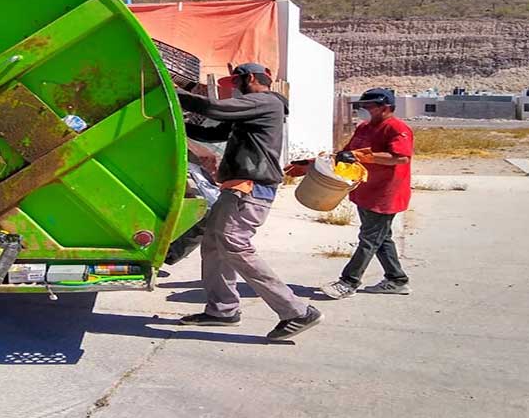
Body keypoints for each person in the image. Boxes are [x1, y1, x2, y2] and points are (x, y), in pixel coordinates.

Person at [176, 63, 323, 341]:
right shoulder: (253, 112)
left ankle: (296, 311)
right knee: (213, 244)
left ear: (251, 79)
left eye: (236, 82)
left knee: (234, 244)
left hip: (250, 189)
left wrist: (169, 93)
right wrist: (172, 119)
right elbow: (211, 133)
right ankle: (223, 309)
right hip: (238, 187)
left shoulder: (265, 102)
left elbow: (213, 109)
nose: (233, 87)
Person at [319, 88, 414, 299]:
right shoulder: (363, 128)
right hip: (366, 191)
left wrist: (362, 157)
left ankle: (348, 281)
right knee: (381, 238)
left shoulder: (397, 128)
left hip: (386, 194)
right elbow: (348, 153)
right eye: (364, 106)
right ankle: (397, 279)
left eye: (370, 106)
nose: (366, 109)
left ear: (385, 107)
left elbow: (400, 157)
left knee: (369, 239)